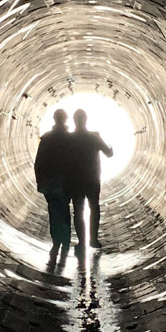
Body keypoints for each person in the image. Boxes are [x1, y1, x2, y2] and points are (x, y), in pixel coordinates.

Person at [66, 109, 113, 255]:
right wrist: (110, 145)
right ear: (85, 120)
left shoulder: (69, 138)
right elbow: (109, 154)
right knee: (94, 208)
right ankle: (93, 239)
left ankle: (81, 242)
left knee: (78, 210)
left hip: (75, 180)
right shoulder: (94, 137)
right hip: (92, 179)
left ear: (74, 121)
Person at [34, 109, 72, 260]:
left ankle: (57, 243)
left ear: (55, 119)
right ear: (65, 119)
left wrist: (40, 182)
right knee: (64, 212)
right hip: (66, 183)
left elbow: (38, 162)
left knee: (54, 212)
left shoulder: (47, 138)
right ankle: (65, 243)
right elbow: (75, 163)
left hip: (50, 183)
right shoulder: (70, 139)